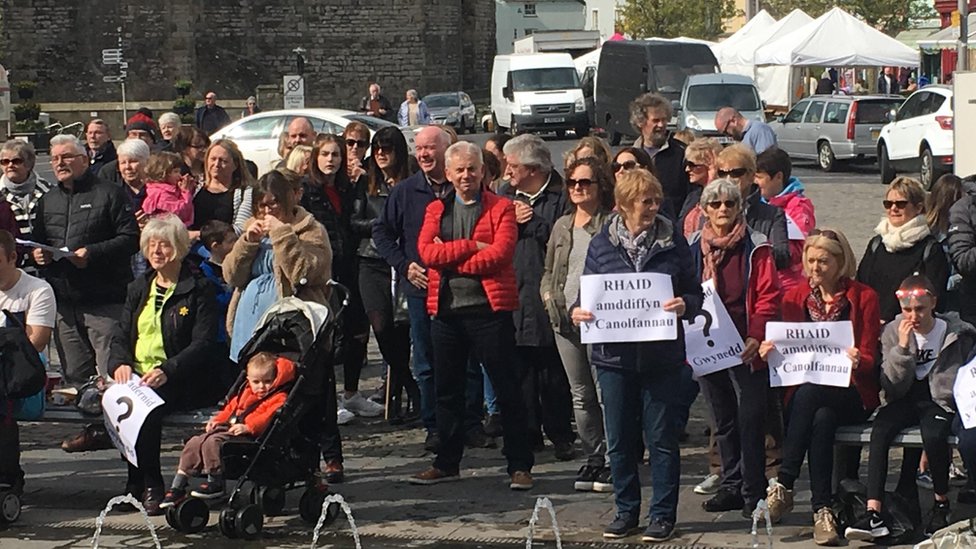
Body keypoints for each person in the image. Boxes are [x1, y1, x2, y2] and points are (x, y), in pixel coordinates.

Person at [571, 168, 703, 542]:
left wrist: (685, 305)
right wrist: (577, 312)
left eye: (656, 200)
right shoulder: (601, 244)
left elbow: (695, 292)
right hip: (614, 359)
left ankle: (663, 515)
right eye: (645, 201)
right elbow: (587, 296)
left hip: (662, 359)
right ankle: (626, 510)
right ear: (625, 205)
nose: (653, 207)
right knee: (620, 440)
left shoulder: (673, 240)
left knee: (661, 439)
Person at [409, 141, 534, 489]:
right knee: (447, 390)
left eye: (472, 169)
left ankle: (520, 465)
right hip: (446, 311)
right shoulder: (436, 209)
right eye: (459, 170)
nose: (466, 175)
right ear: (448, 174)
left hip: (488, 311)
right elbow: (425, 252)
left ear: (483, 171)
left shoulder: (502, 208)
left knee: (507, 388)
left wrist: (452, 257)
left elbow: (500, 254)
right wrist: (469, 247)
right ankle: (447, 462)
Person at [759, 228, 881, 545]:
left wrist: (858, 359)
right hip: (805, 396)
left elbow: (871, 358)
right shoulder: (794, 298)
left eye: (823, 261)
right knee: (821, 417)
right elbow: (787, 350)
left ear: (840, 262)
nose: (815, 268)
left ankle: (784, 481)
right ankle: (822, 511)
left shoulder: (864, 297)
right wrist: (769, 350)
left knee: (814, 396)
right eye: (811, 260)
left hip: (852, 392)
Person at [223, 170, 336, 482]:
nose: (267, 211)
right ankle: (251, 463)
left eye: (273, 204)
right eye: (262, 206)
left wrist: (282, 234)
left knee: (293, 404)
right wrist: (247, 242)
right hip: (251, 330)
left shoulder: (310, 230)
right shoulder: (252, 230)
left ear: (288, 201)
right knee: (249, 400)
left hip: (290, 333)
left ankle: (306, 468)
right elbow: (232, 275)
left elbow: (305, 272)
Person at [845, 275, 973, 541]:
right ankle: (874, 510)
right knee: (880, 430)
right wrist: (902, 350)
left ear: (933, 303)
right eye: (907, 310)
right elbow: (891, 385)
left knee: (935, 434)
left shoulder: (954, 332)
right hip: (904, 396)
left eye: (920, 309)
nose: (913, 316)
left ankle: (940, 502)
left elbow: (960, 376)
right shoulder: (893, 331)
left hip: (939, 398)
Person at [107, 215, 221, 515]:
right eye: (151, 245)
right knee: (118, 404)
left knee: (146, 411)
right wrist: (119, 363)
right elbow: (121, 333)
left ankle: (151, 483)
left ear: (180, 248)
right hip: (138, 375)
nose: (157, 252)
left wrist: (167, 369)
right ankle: (134, 481)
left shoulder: (198, 288)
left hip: (181, 377)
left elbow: (203, 344)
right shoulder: (138, 287)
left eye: (165, 245)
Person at [689, 178, 781, 518]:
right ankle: (730, 484)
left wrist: (756, 335)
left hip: (745, 343)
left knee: (751, 418)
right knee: (722, 418)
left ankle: (753, 490)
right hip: (708, 340)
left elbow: (768, 295)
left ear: (739, 207)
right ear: (704, 210)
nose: (723, 210)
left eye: (730, 203)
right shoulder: (693, 245)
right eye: (716, 205)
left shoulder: (756, 246)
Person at [33, 135, 140, 385]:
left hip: (104, 304)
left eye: (66, 157)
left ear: (84, 159)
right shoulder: (47, 200)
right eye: (55, 159)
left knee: (112, 378)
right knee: (75, 380)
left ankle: (112, 424)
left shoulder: (110, 193)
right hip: (65, 307)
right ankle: (85, 425)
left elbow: (131, 239)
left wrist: (92, 254)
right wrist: (38, 255)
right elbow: (38, 242)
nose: (60, 163)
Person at [374, 126, 451, 451]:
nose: (423, 155)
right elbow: (382, 234)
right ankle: (434, 424)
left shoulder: (462, 186)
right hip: (420, 289)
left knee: (464, 361)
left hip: (461, 287)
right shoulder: (405, 191)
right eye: (419, 149)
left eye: (430, 148)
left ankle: (468, 423)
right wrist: (404, 265)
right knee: (426, 362)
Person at [500, 133, 576, 461]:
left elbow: (566, 241)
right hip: (514, 291)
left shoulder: (560, 198)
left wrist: (535, 222)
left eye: (513, 165)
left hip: (550, 294)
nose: (507, 172)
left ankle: (561, 433)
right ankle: (528, 433)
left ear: (532, 169)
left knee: (554, 373)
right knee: (520, 371)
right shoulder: (504, 195)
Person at [542, 157, 614, 492]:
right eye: (572, 183)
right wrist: (548, 296)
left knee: (605, 393)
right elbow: (550, 269)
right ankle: (594, 457)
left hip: (603, 322)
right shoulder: (562, 225)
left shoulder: (612, 224)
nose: (578, 189)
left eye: (585, 183)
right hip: (565, 321)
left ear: (600, 186)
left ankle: (616, 458)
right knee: (580, 394)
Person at [301, 133, 382, 431]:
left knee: (357, 331)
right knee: (325, 337)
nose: (331, 160)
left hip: (351, 264)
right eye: (325, 154)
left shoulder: (348, 187)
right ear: (315, 157)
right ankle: (329, 400)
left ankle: (351, 393)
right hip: (323, 270)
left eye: (335, 155)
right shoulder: (307, 189)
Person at [160, 352, 295, 505]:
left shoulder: (278, 397)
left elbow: (268, 416)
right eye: (256, 382)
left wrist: (249, 427)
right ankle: (178, 485)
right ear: (248, 380)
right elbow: (231, 408)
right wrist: (217, 420)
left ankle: (215, 480)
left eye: (267, 381)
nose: (261, 387)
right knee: (195, 442)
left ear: (275, 379)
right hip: (231, 427)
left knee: (213, 442)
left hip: (252, 434)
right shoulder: (245, 392)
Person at [351, 127, 418, 422]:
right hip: (372, 260)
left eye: (387, 148)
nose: (380, 153)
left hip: (402, 262)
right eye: (376, 147)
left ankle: (403, 397)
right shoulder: (366, 183)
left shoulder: (413, 183)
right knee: (381, 329)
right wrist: (384, 223)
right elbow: (354, 220)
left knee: (402, 331)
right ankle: (413, 390)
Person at [0, 229, 55, 496]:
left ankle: (9, 478)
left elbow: (36, 343)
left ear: (13, 258)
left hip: (23, 375)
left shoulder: (38, 290)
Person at [858, 176, 949, 321]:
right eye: (888, 204)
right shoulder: (876, 244)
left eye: (900, 204)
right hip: (875, 328)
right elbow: (861, 288)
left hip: (913, 328)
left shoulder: (930, 249)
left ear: (918, 208)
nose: (893, 209)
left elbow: (936, 298)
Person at [716, 144, 790, 270]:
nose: (728, 179)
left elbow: (782, 256)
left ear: (751, 176)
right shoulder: (710, 210)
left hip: (756, 279)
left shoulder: (773, 214)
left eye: (736, 173)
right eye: (722, 173)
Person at [755, 147, 816, 290]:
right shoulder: (757, 202)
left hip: (788, 285)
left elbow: (799, 251)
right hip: (763, 280)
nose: (755, 183)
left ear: (778, 177)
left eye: (759, 177)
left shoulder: (798, 207)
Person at [629, 93, 689, 216]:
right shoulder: (630, 156)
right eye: (656, 120)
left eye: (664, 120)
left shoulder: (681, 153)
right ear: (641, 122)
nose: (661, 125)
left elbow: (691, 193)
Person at [192, 139, 256, 235]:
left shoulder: (245, 192)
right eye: (213, 159)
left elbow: (239, 229)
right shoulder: (194, 187)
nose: (216, 164)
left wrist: (199, 235)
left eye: (223, 161)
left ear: (235, 165)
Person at [0, 139, 50, 257]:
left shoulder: (49, 191)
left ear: (29, 163)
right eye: (5, 162)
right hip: (9, 267)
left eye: (16, 161)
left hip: (45, 265)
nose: (10, 165)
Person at [680, 138, 722, 237]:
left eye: (692, 165)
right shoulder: (693, 196)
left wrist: (712, 180)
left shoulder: (724, 195)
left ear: (709, 166)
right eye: (687, 164)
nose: (687, 169)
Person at [142, 151, 195, 227]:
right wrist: (185, 191)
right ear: (163, 173)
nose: (179, 175)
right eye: (175, 172)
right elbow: (180, 212)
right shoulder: (161, 193)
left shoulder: (172, 189)